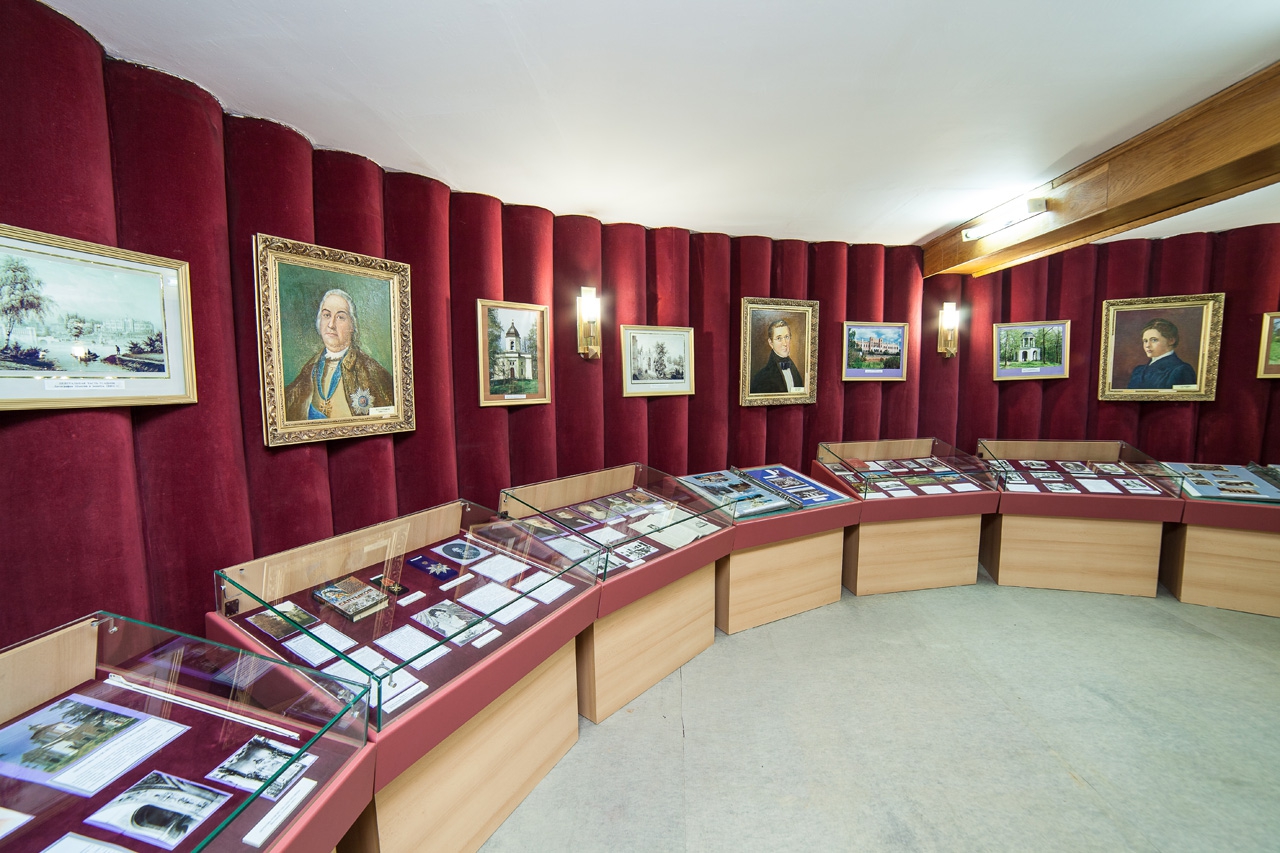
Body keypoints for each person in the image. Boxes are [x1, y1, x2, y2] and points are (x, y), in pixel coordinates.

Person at [284, 289, 396, 420]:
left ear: (352, 326)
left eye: (340, 317)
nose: (331, 325)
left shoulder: (372, 372)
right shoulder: (309, 370)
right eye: (326, 315)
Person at [1126, 318, 1196, 390]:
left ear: (1171, 341)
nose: (1147, 345)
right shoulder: (1138, 370)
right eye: (1145, 341)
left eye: (1154, 340)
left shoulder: (1181, 370)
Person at [750, 319, 805, 394]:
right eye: (779, 338)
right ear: (771, 343)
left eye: (787, 337)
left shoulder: (794, 370)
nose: (785, 343)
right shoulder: (761, 377)